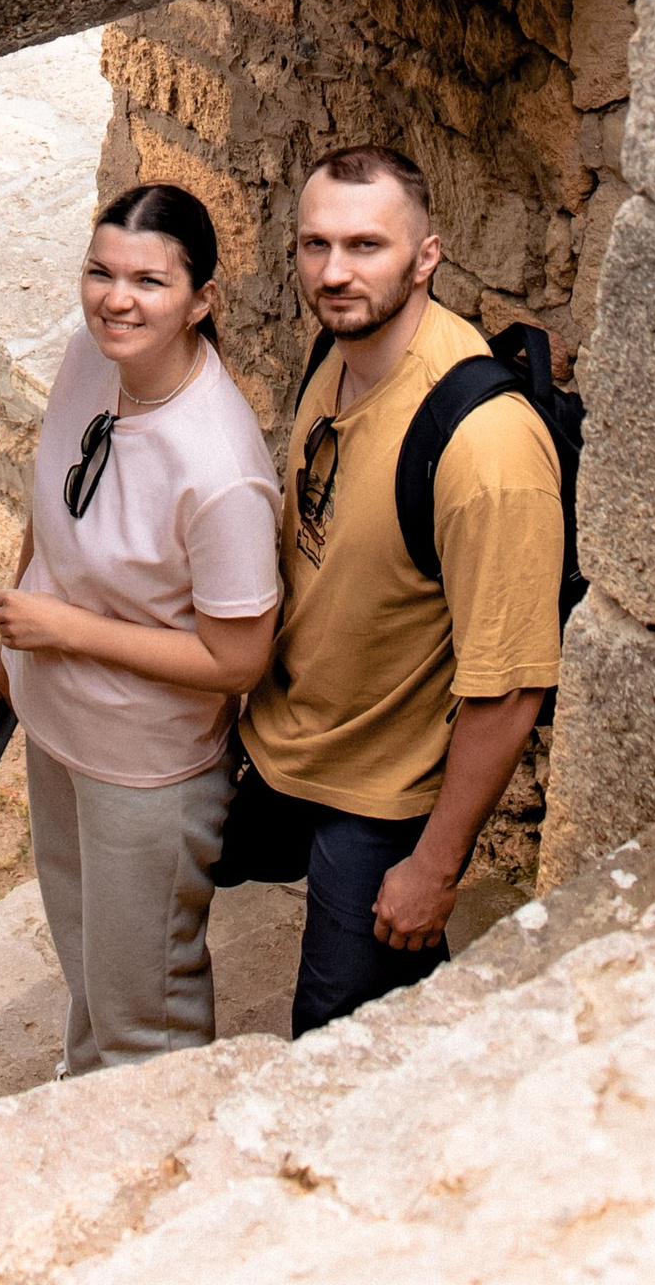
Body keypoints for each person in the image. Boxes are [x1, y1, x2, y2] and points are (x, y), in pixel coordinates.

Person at [227, 150, 563, 1038]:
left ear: (426, 258)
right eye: (316, 244)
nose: (335, 272)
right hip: (294, 734)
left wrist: (436, 867)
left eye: (367, 245)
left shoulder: (486, 450)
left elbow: (513, 683)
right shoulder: (337, 351)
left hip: (387, 794)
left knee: (342, 1037)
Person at [0, 183, 281, 1075]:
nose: (117, 299)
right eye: (100, 272)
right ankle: (86, 1103)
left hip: (146, 770)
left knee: (144, 1012)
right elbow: (54, 499)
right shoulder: (89, 357)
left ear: (202, 300)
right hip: (59, 727)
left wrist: (63, 630)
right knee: (90, 966)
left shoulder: (221, 470)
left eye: (149, 282)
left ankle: (157, 1160)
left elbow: (238, 658)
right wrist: (11, 649)